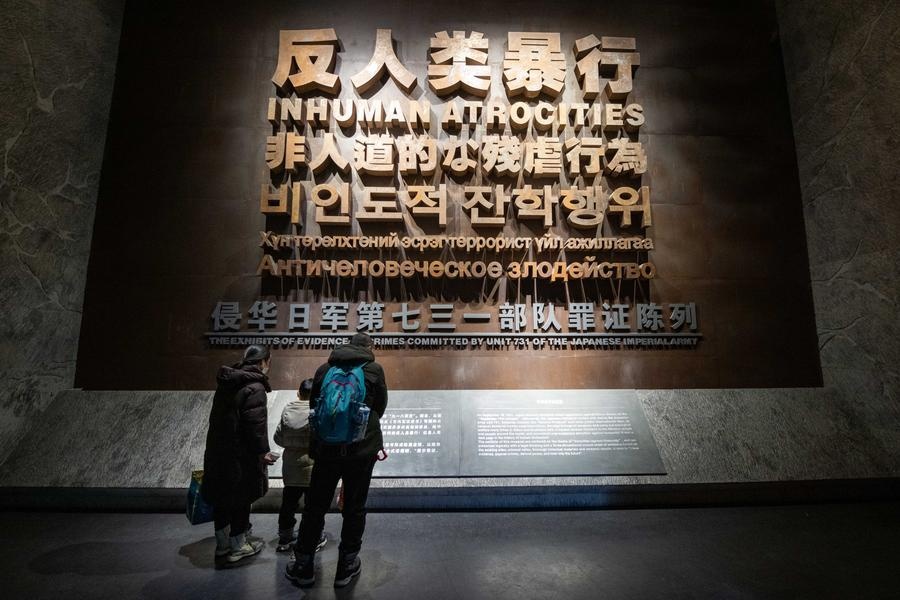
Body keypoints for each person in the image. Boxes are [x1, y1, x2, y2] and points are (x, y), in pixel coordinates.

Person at [286, 333, 388, 588]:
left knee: (315, 506)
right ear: (369, 348)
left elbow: (315, 406)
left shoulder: (325, 369)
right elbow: (380, 407)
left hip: (326, 451)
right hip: (360, 452)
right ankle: (346, 566)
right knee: (354, 507)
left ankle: (303, 565)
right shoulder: (374, 370)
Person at [201, 345, 278, 567]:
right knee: (241, 499)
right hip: (240, 456)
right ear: (264, 361)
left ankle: (222, 544)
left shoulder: (227, 382)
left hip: (218, 451)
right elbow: (255, 425)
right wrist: (263, 452)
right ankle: (238, 546)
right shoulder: (254, 387)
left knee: (222, 498)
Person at [273, 378, 327, 553]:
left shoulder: (288, 410)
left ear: (298, 392)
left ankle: (285, 537)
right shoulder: (318, 411)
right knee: (313, 506)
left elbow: (278, 438)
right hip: (313, 466)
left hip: (291, 466)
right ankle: (314, 536)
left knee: (288, 503)